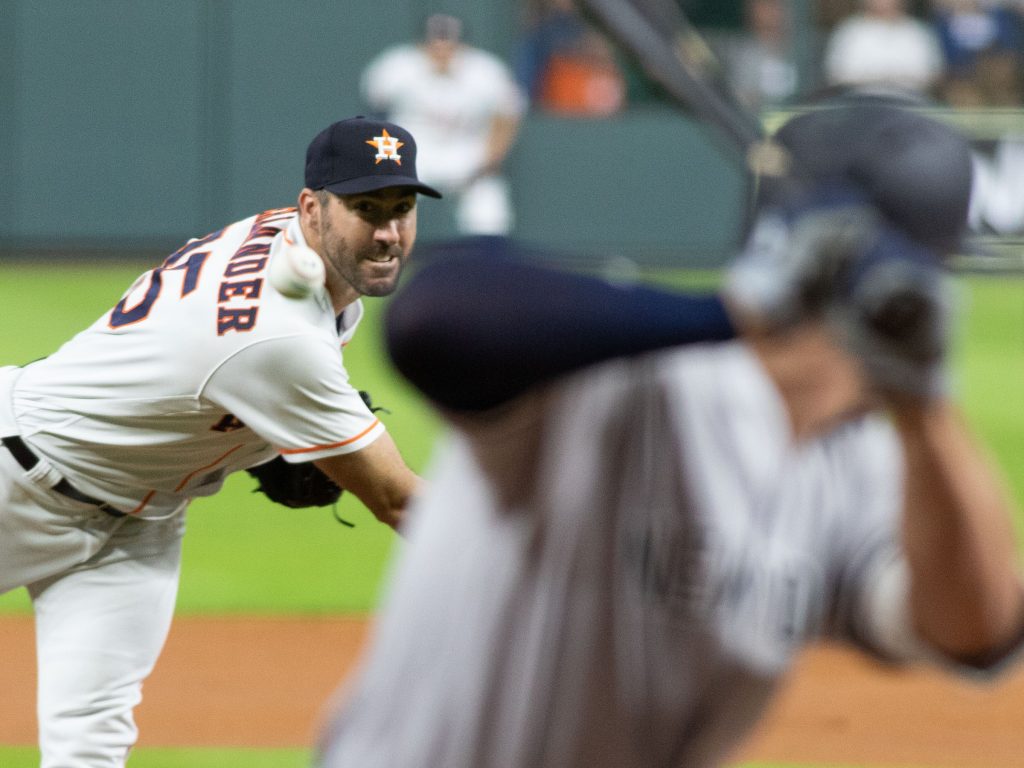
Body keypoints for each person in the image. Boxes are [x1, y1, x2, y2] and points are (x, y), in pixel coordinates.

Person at [313, 102, 1024, 767]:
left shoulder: (856, 466)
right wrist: (734, 313)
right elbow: (430, 320)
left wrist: (924, 409)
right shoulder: (620, 379)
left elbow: (978, 636)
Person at [0, 115, 440, 768]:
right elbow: (400, 502)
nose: (387, 232)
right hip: (17, 478)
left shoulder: (305, 260)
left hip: (135, 526)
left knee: (89, 745)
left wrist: (269, 437)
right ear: (312, 209)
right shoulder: (279, 335)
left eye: (401, 208)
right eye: (365, 209)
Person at [361, 13, 527, 236]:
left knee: (489, 214)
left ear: (463, 46)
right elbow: (373, 114)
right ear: (421, 44)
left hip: (469, 156)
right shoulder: (397, 67)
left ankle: (486, 254)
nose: (442, 52)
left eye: (449, 44)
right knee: (383, 205)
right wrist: (388, 160)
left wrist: (491, 158)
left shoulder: (485, 70)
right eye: (435, 44)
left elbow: (509, 113)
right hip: (414, 156)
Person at [822, 0, 946, 96]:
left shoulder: (918, 32)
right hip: (859, 105)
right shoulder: (849, 31)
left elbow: (933, 76)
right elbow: (836, 75)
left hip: (910, 106)